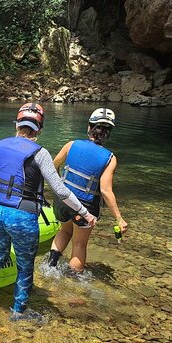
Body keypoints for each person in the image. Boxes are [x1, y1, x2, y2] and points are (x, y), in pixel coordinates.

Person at [0, 103, 97, 321]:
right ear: (39, 129)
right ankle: (18, 312)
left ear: (17, 124)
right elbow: (60, 190)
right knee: (25, 267)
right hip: (22, 218)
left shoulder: (0, 146)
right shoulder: (41, 153)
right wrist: (85, 213)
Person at [47, 108, 128, 272]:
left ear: (89, 127)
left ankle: (50, 266)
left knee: (64, 230)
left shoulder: (71, 145)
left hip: (62, 200)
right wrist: (119, 218)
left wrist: (59, 187)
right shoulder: (110, 158)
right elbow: (106, 191)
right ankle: (74, 281)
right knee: (79, 243)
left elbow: (53, 165)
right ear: (108, 133)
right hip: (85, 207)